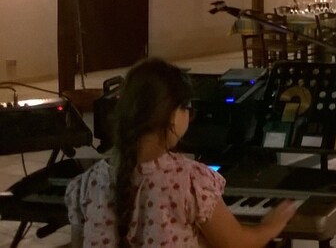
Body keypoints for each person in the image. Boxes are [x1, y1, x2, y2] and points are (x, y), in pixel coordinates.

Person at [65, 58, 296, 248]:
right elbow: (237, 243)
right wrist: (271, 225)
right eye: (188, 108)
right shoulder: (190, 180)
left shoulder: (87, 183)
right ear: (173, 115)